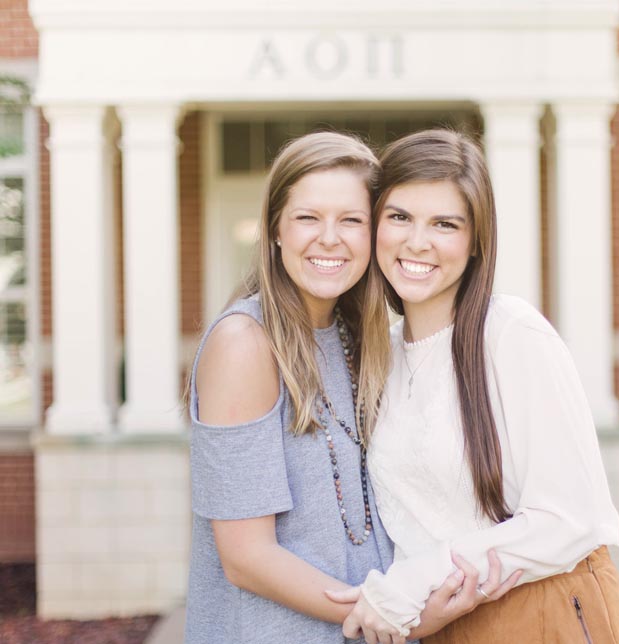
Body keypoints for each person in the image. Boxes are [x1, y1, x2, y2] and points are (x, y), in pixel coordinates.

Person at [183, 130, 516, 644]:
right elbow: (246, 557)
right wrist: (388, 614)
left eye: (352, 220)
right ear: (275, 229)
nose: (330, 238)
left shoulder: (359, 340)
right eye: (307, 218)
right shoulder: (244, 342)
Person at [330, 129, 619, 643]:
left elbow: (570, 518)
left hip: (540, 612)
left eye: (444, 224)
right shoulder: (381, 353)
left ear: (475, 243)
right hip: (438, 623)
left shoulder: (512, 333)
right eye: (400, 216)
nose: (417, 241)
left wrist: (411, 582)